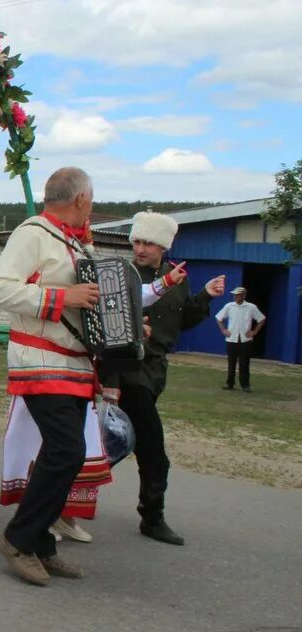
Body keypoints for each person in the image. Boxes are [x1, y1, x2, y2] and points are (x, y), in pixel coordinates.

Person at [0, 167, 101, 586]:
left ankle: (41, 543)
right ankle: (18, 538)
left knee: (68, 455)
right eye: (92, 198)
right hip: (39, 358)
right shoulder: (32, 233)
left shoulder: (74, 241)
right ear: (81, 199)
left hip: (75, 363)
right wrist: (60, 297)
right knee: (66, 450)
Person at [100, 211, 225, 545]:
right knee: (151, 449)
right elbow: (111, 330)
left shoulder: (176, 277)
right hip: (129, 369)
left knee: (115, 443)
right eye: (137, 241)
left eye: (149, 243)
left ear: (163, 246)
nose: (140, 248)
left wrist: (206, 297)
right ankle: (152, 517)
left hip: (155, 371)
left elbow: (183, 321)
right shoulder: (122, 274)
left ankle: (64, 500)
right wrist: (110, 380)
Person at [216, 287, 265, 392]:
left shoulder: (251, 307)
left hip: (245, 339)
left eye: (238, 295)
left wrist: (254, 331)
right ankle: (230, 383)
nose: (236, 297)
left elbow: (261, 319)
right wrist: (224, 330)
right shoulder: (229, 306)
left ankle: (245, 385)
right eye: (235, 295)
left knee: (244, 363)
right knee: (231, 362)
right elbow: (219, 318)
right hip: (232, 339)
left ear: (243, 295)